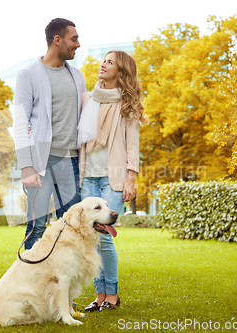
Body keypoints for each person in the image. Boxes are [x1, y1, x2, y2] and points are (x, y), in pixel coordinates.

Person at [78, 50, 148, 311]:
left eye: (110, 62)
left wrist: (131, 178)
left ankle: (113, 294)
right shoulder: (88, 99)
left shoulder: (127, 104)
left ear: (121, 71)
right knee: (92, 237)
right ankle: (99, 296)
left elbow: (133, 145)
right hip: (88, 177)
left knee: (105, 237)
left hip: (113, 178)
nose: (103, 65)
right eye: (103, 61)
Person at [13, 18, 87, 250]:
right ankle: (30, 281)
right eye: (74, 39)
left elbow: (87, 116)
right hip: (40, 164)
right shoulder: (29, 75)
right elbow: (20, 122)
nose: (78, 44)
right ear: (58, 40)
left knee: (72, 227)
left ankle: (61, 281)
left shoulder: (77, 76)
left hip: (71, 162)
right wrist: (26, 166)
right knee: (36, 227)